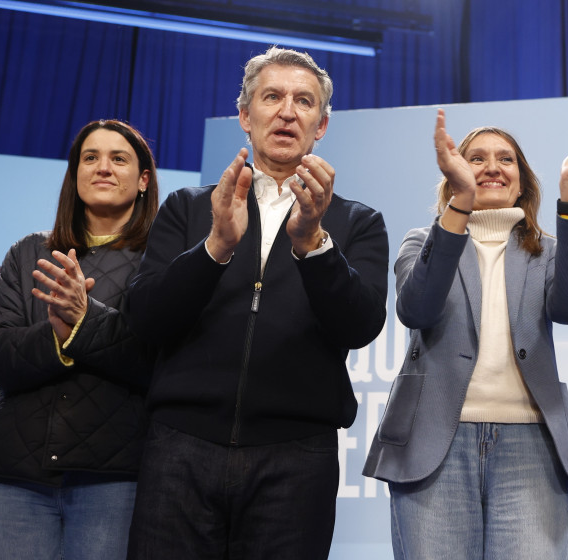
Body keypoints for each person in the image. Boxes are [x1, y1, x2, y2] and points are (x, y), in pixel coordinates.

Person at [124, 47, 389, 558]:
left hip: (297, 459)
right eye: (273, 97)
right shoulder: (188, 207)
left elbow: (359, 325)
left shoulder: (358, 222)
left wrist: (313, 243)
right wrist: (215, 247)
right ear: (246, 116)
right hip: (180, 448)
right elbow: (145, 318)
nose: (288, 111)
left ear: (322, 125)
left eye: (304, 101)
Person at [364, 108, 568, 558]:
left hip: (531, 447)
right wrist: (460, 205)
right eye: (476, 158)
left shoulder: (549, 252)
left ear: (522, 181)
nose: (492, 167)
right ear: (454, 173)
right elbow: (417, 309)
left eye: (506, 159)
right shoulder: (421, 243)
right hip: (433, 444)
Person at [0, 119, 159, 559]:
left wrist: (84, 324)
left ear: (144, 180)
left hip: (112, 480)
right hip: (16, 478)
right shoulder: (27, 252)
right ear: (74, 175)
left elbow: (157, 361)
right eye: (90, 158)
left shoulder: (161, 262)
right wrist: (60, 337)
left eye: (118, 158)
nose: (103, 168)